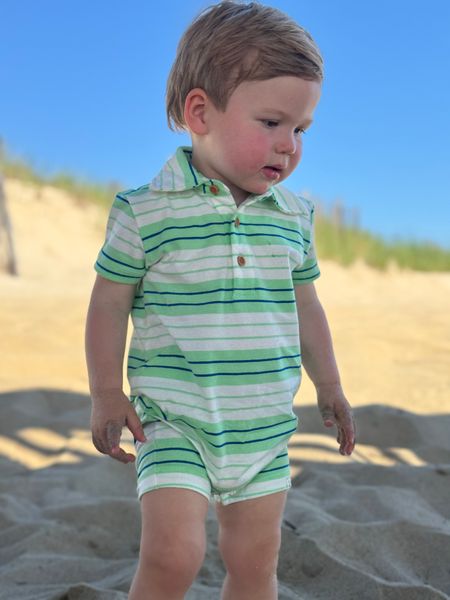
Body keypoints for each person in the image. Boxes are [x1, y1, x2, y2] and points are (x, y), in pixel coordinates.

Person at [85, 2, 356, 598]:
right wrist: (106, 390)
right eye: (271, 122)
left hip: (263, 428)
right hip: (175, 421)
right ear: (200, 111)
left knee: (255, 566)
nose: (289, 145)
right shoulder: (145, 210)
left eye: (301, 128)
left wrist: (329, 384)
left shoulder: (294, 216)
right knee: (174, 555)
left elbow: (305, 306)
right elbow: (108, 302)